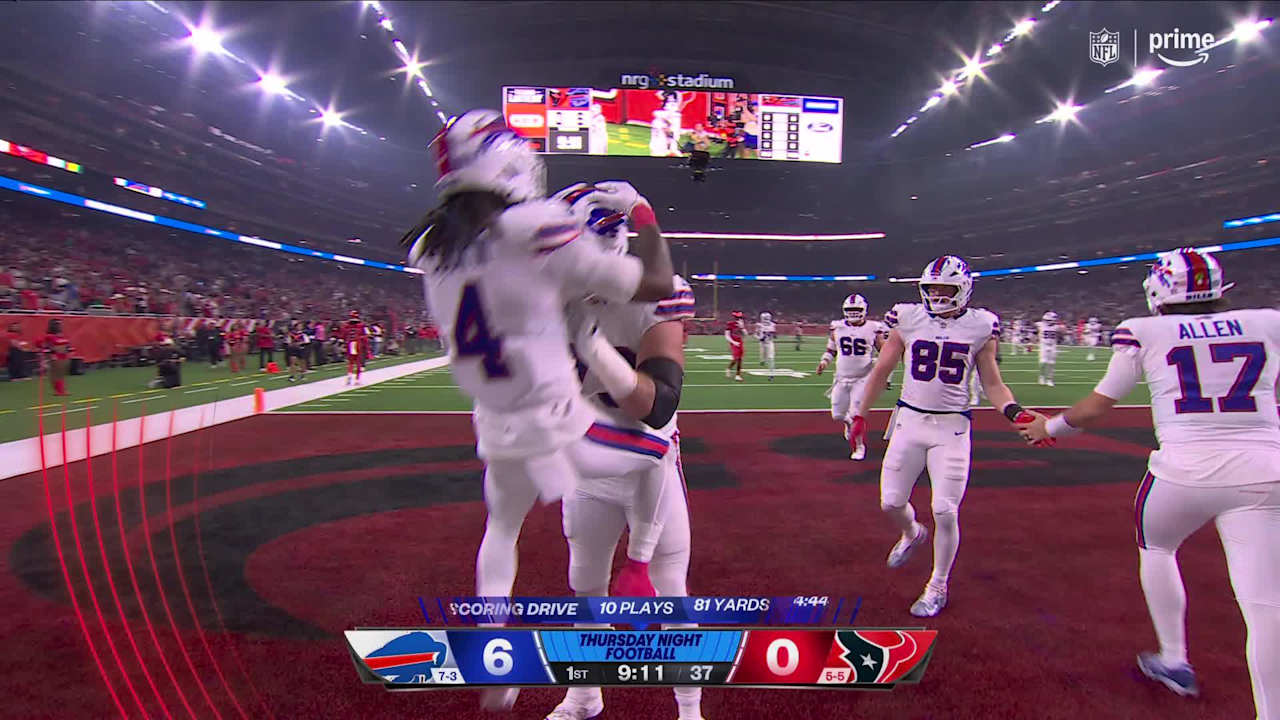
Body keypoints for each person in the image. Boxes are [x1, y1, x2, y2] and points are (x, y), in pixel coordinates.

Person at [402, 110, 674, 712]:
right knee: (658, 447)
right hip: (556, 420)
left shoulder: (432, 245)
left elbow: (510, 287)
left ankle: (493, 650)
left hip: (492, 420)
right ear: (509, 160)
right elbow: (657, 280)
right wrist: (643, 215)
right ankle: (640, 562)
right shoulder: (534, 227)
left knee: (502, 528)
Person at [1018, 248, 1278, 716]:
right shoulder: (1266, 321)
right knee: (1264, 606)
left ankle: (1175, 659)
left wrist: (1049, 428)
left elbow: (1098, 406)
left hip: (1182, 472)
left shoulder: (1145, 330)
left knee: (1158, 547)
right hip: (1265, 470)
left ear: (1160, 289)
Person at [546, 182, 701, 720]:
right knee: (585, 583)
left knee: (668, 586)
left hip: (647, 462)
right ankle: (585, 694)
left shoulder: (656, 293)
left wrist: (589, 345)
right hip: (586, 461)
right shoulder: (549, 295)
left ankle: (688, 708)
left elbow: (659, 405)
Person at [849, 255, 1044, 617]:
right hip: (909, 421)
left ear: (964, 289)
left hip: (952, 427)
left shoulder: (981, 327)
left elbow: (992, 383)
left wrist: (1016, 413)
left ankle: (937, 584)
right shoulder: (908, 318)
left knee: (945, 508)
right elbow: (881, 369)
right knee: (890, 503)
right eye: (932, 288)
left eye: (945, 288)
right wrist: (860, 413)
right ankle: (911, 533)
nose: (937, 295)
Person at [815, 294, 883, 460]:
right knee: (837, 414)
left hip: (862, 378)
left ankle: (859, 446)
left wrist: (883, 373)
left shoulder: (873, 327)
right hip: (841, 378)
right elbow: (831, 349)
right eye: (850, 310)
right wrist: (824, 362)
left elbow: (885, 352)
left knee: (857, 414)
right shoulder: (837, 327)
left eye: (856, 310)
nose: (853, 313)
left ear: (864, 310)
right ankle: (848, 424)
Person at [39, 318, 73, 397]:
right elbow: (47, 347)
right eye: (59, 325)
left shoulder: (61, 335)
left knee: (61, 374)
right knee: (56, 374)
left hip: (63, 356)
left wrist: (70, 352)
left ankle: (61, 389)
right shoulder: (49, 336)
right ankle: (59, 390)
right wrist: (50, 356)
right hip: (56, 357)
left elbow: (67, 345)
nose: (61, 326)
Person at [341, 310, 369, 385]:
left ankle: (349, 375)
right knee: (358, 362)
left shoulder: (346, 326)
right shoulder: (362, 325)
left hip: (350, 343)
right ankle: (357, 379)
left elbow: (343, 336)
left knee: (351, 362)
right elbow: (366, 335)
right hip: (358, 343)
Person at [1036, 311, 1063, 386]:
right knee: (1043, 362)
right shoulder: (1040, 325)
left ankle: (1050, 379)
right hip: (1043, 345)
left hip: (1053, 345)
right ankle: (1041, 376)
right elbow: (1036, 332)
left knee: (1052, 363)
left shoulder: (1057, 327)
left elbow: (1060, 335)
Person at [755, 311, 777, 379]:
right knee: (763, 357)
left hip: (769, 343)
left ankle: (772, 374)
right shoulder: (759, 325)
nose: (766, 319)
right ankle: (762, 361)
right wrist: (759, 338)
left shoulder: (773, 325)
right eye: (765, 318)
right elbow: (755, 334)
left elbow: (773, 335)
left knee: (771, 358)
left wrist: (769, 335)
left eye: (767, 318)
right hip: (762, 344)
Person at [725, 310, 745, 381]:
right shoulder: (730, 324)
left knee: (740, 359)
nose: (739, 319)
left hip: (740, 342)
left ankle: (738, 375)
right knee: (736, 358)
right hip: (734, 342)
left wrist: (742, 328)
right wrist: (733, 342)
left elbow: (745, 335)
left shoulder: (741, 324)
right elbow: (727, 335)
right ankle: (729, 368)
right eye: (737, 317)